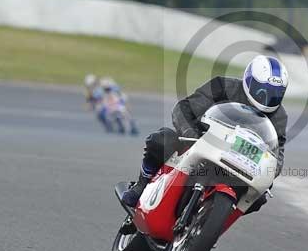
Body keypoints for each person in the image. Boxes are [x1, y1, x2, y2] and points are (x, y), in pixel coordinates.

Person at [120, 55, 289, 209]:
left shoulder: (279, 117)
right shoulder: (222, 86)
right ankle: (141, 185)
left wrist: (268, 172)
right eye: (262, 90)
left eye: (275, 94)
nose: (266, 98)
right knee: (162, 140)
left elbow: (276, 155)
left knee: (260, 196)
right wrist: (191, 133)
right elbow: (183, 108)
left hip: (238, 162)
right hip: (202, 140)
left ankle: (212, 219)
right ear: (249, 81)